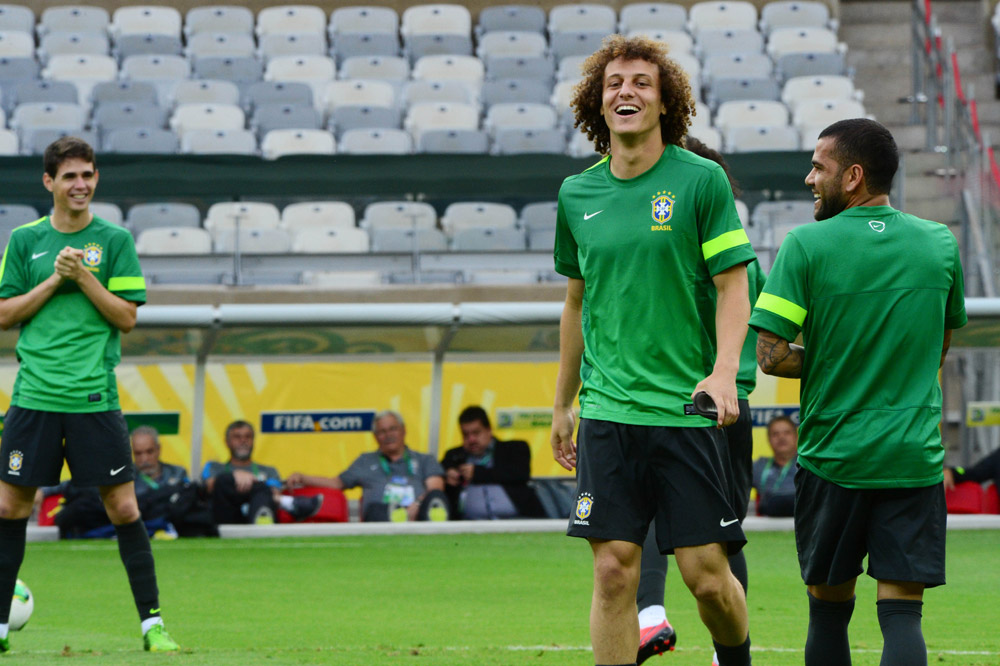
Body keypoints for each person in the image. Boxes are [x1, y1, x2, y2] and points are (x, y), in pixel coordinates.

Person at [550, 35, 755, 666]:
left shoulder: (701, 181)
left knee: (707, 578)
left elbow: (734, 285)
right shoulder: (576, 194)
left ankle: (736, 659)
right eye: (614, 83)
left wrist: (723, 374)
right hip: (608, 412)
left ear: (666, 103)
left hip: (685, 411)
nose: (626, 92)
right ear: (598, 102)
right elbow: (576, 303)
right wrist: (562, 405)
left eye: (642, 82)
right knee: (613, 570)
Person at [749, 118, 967, 666]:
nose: (809, 179)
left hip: (833, 457)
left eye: (818, 168)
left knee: (827, 611)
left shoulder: (805, 244)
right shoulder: (940, 243)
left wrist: (836, 359)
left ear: (852, 177)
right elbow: (938, 346)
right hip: (912, 457)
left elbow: (770, 354)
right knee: (903, 613)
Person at [0, 137, 179, 652]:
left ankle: (152, 626)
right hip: (34, 397)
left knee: (123, 508)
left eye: (88, 174)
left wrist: (83, 277)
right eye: (70, 176)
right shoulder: (24, 240)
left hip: (93, 399)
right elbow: (5, 314)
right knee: (10, 509)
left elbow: (126, 317)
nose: (80, 185)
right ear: (49, 182)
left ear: (96, 177)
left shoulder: (115, 240)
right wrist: (54, 281)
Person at [634, 136, 766, 664]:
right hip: (730, 406)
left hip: (673, 400)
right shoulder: (745, 261)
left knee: (647, 513)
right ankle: (723, 653)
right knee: (725, 533)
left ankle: (650, 615)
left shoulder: (665, 253)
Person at [286, 410, 449, 522]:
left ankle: (430, 528)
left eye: (393, 429)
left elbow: (435, 488)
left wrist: (417, 506)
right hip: (382, 520)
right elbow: (337, 483)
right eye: (382, 432)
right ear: (375, 436)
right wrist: (303, 477)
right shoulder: (365, 461)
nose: (388, 435)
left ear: (403, 430)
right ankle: (397, 516)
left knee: (436, 499)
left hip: (419, 517)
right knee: (374, 510)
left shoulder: (425, 459)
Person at [201, 420, 321, 525]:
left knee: (263, 496)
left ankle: (265, 521)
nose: (243, 441)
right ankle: (290, 503)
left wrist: (248, 483)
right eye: (237, 437)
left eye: (248, 437)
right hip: (224, 518)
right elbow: (209, 488)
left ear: (253, 441)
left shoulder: (269, 471)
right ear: (227, 442)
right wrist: (235, 476)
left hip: (258, 514)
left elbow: (273, 493)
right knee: (223, 481)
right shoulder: (214, 467)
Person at [440, 405, 545, 519]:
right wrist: (448, 475)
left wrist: (478, 473)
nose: (471, 439)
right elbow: (439, 472)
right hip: (470, 524)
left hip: (519, 520)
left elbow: (520, 473)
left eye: (476, 433)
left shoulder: (514, 448)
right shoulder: (454, 455)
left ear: (489, 430)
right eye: (465, 435)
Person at [131, 426, 217, 537]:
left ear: (158, 449)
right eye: (138, 453)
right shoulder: (127, 480)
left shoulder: (178, 472)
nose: (144, 459)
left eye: (149, 451)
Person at [751, 416, 798, 518]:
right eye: (775, 434)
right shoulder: (759, 466)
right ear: (769, 440)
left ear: (796, 437)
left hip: (802, 521)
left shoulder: (808, 466)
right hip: (767, 524)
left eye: (787, 433)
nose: (781, 437)